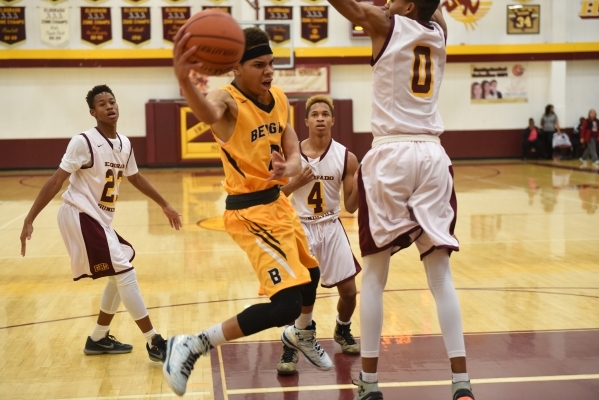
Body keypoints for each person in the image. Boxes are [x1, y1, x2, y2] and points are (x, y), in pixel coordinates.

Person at [162, 27, 333, 396]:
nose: (269, 71)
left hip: (277, 204)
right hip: (249, 213)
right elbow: (207, 111)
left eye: (271, 63)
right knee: (285, 304)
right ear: (235, 68)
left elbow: (287, 137)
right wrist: (184, 82)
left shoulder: (278, 97)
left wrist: (289, 165)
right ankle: (192, 344)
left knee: (311, 273)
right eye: (259, 65)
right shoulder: (227, 99)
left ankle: (301, 334)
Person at [325, 1, 474, 399]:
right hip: (432, 155)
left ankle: (370, 384)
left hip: (391, 154)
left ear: (407, 6)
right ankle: (461, 382)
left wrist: (381, 9)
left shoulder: (384, 24)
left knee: (374, 277)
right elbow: (432, 7)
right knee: (441, 276)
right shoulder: (439, 30)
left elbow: (351, 8)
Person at [19, 85, 180, 362]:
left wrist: (164, 204)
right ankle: (154, 341)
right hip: (78, 213)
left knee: (122, 266)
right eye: (102, 104)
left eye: (112, 101)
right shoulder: (83, 141)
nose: (109, 106)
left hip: (97, 218)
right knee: (125, 272)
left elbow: (136, 178)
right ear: (93, 112)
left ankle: (98, 338)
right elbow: (57, 181)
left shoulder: (125, 144)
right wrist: (29, 218)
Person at [276, 95, 361, 375]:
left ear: (333, 120)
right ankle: (292, 343)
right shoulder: (290, 156)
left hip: (331, 224)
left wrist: (363, 180)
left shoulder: (347, 157)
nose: (321, 118)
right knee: (297, 296)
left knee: (349, 292)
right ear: (306, 121)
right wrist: (294, 183)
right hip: (299, 227)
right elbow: (271, 199)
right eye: (315, 114)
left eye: (326, 114)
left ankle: (343, 329)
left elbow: (351, 206)